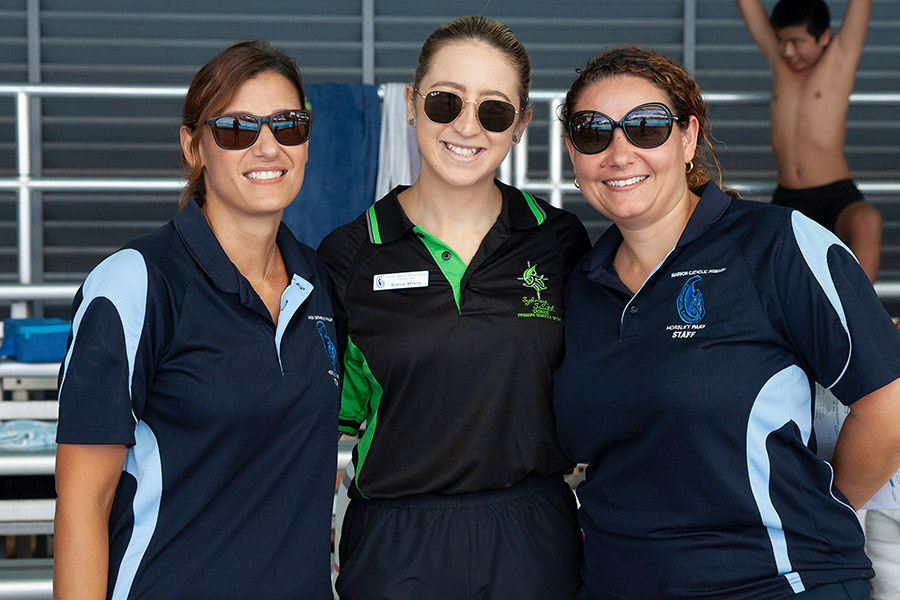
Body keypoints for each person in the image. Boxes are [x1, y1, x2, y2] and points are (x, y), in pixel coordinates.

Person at [553, 45, 900, 600]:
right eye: (593, 132)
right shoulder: (580, 285)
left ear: (688, 137)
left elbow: (888, 402)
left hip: (775, 582)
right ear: (574, 150)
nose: (619, 153)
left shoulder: (776, 244)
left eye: (646, 127)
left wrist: (825, 506)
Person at [53, 39, 338, 600]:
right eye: (236, 129)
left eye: (288, 125)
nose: (267, 147)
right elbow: (83, 505)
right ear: (194, 147)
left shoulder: (318, 280)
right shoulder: (137, 282)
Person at [318, 15, 590, 600]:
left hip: (533, 535)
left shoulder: (561, 241)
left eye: (493, 109)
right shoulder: (348, 254)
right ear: (412, 104)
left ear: (520, 125)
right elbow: (317, 422)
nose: (467, 126)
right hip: (396, 542)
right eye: (446, 102)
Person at [736, 0, 881, 283]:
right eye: (781, 40)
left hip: (836, 197)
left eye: (798, 41)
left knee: (867, 220)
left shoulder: (840, 58)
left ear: (824, 36)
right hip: (788, 199)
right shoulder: (780, 61)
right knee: (752, 240)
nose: (788, 50)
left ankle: (859, 322)